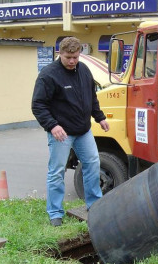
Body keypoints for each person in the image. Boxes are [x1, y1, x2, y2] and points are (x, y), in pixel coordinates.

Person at [32, 36, 109, 226]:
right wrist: (52, 125)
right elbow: (38, 105)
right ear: (60, 53)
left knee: (92, 163)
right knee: (57, 171)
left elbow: (91, 97)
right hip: (61, 133)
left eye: (75, 57)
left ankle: (94, 204)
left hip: (83, 131)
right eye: (68, 57)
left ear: (79, 54)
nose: (72, 61)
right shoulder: (48, 75)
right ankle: (55, 213)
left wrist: (100, 117)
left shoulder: (84, 71)